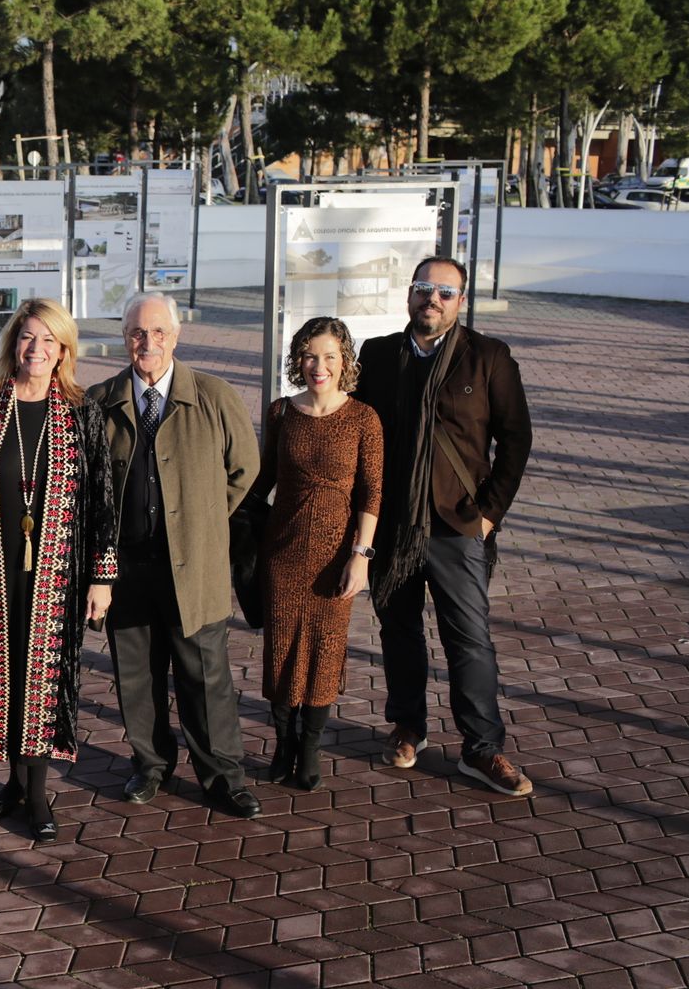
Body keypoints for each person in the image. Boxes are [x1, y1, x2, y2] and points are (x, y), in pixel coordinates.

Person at [356, 256, 534, 796]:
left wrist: (487, 516)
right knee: (400, 630)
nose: (431, 299)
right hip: (393, 524)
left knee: (470, 639)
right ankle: (408, 725)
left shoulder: (488, 358)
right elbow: (360, 433)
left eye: (445, 292)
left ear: (461, 301)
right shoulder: (379, 354)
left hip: (458, 526)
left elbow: (516, 440)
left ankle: (482, 749)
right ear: (409, 294)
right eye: (423, 288)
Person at [89, 292, 262, 819]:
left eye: (159, 332)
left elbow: (245, 469)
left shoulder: (212, 395)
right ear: (125, 338)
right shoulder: (100, 402)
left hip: (195, 566)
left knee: (205, 676)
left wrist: (205, 521)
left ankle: (223, 776)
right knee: (136, 675)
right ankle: (150, 765)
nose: (149, 343)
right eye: (138, 333)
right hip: (128, 567)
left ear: (176, 335)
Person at [0, 298, 117, 842]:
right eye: (27, 338)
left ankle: (38, 792)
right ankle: (15, 785)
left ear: (64, 349)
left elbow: (101, 503)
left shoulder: (81, 413)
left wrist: (101, 577)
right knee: (1, 675)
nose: (36, 350)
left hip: (58, 574)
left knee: (43, 676)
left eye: (49, 340)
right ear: (12, 344)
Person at [252, 317, 383, 790]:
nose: (318, 366)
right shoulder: (280, 412)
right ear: (298, 360)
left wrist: (360, 555)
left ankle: (309, 751)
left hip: (336, 560)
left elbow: (372, 493)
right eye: (310, 355)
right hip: (282, 554)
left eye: (329, 356)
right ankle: (283, 746)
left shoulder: (364, 418)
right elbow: (262, 480)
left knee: (325, 654)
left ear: (344, 360)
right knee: (281, 653)